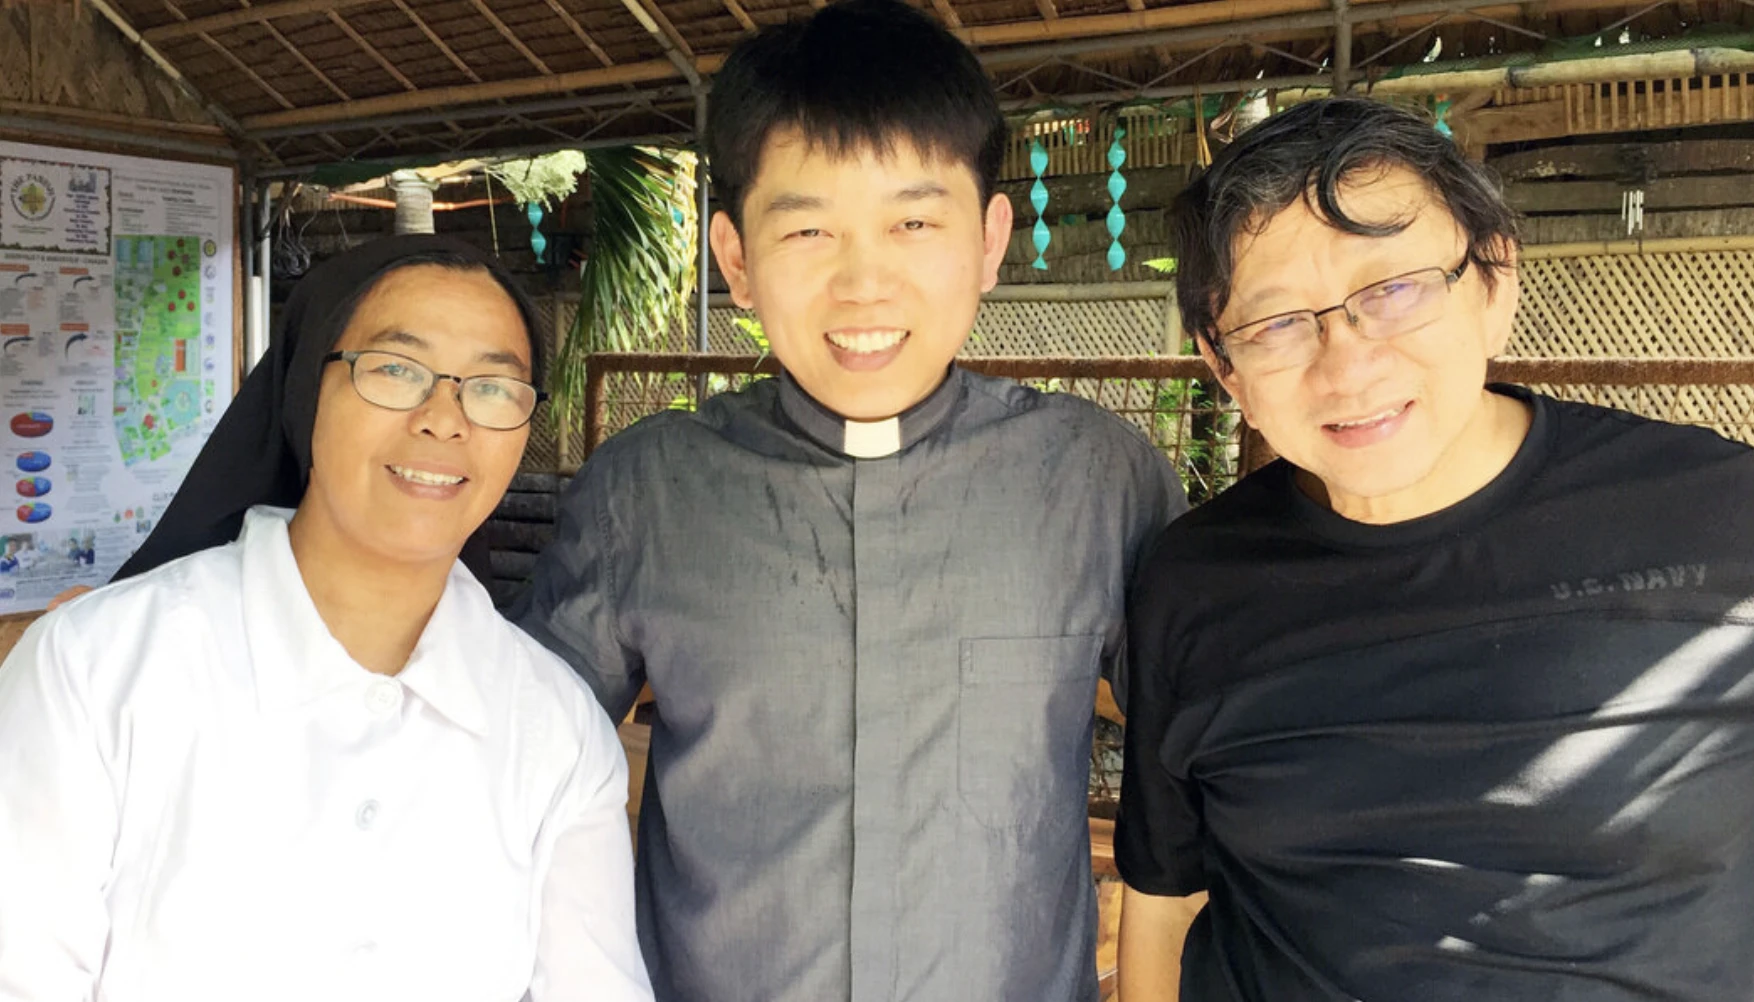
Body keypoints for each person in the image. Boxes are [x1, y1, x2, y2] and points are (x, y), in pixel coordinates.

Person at [514, 2, 1187, 999]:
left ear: (989, 239)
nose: (862, 282)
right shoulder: (645, 493)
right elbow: (515, 768)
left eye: (913, 221)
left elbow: (1221, 759)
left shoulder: (1096, 481)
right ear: (735, 257)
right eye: (808, 228)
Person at [1115, 96, 1754, 1002]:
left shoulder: (1723, 517)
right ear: (1226, 373)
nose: (1348, 366)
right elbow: (1167, 903)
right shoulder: (1195, 581)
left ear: (1495, 283)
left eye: (1393, 291)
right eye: (1277, 324)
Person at [0, 235, 653, 1002]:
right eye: (395, 370)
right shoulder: (94, 671)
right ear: (308, 389)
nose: (444, 419)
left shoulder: (558, 730)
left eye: (492, 387)